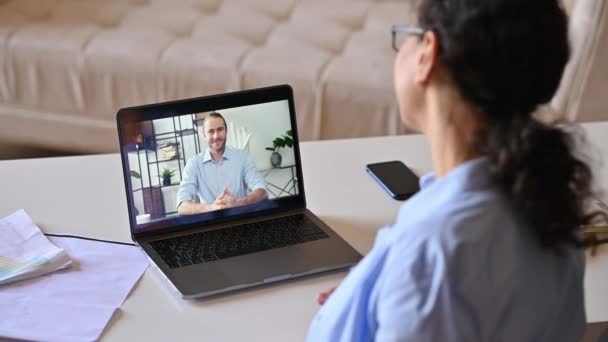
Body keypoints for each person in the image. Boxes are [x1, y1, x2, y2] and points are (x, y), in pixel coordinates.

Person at [307, 0, 606, 341]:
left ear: (427, 54)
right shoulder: (549, 204)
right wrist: (371, 294)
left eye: (408, 36)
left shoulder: (434, 254)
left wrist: (403, 286)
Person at [176, 112, 267, 215]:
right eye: (211, 131)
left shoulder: (242, 157)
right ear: (204, 135)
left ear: (226, 131)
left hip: (240, 220)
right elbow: (182, 206)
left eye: (220, 129)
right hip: (210, 226)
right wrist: (212, 207)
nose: (216, 136)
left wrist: (238, 204)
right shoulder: (193, 164)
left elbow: (262, 192)